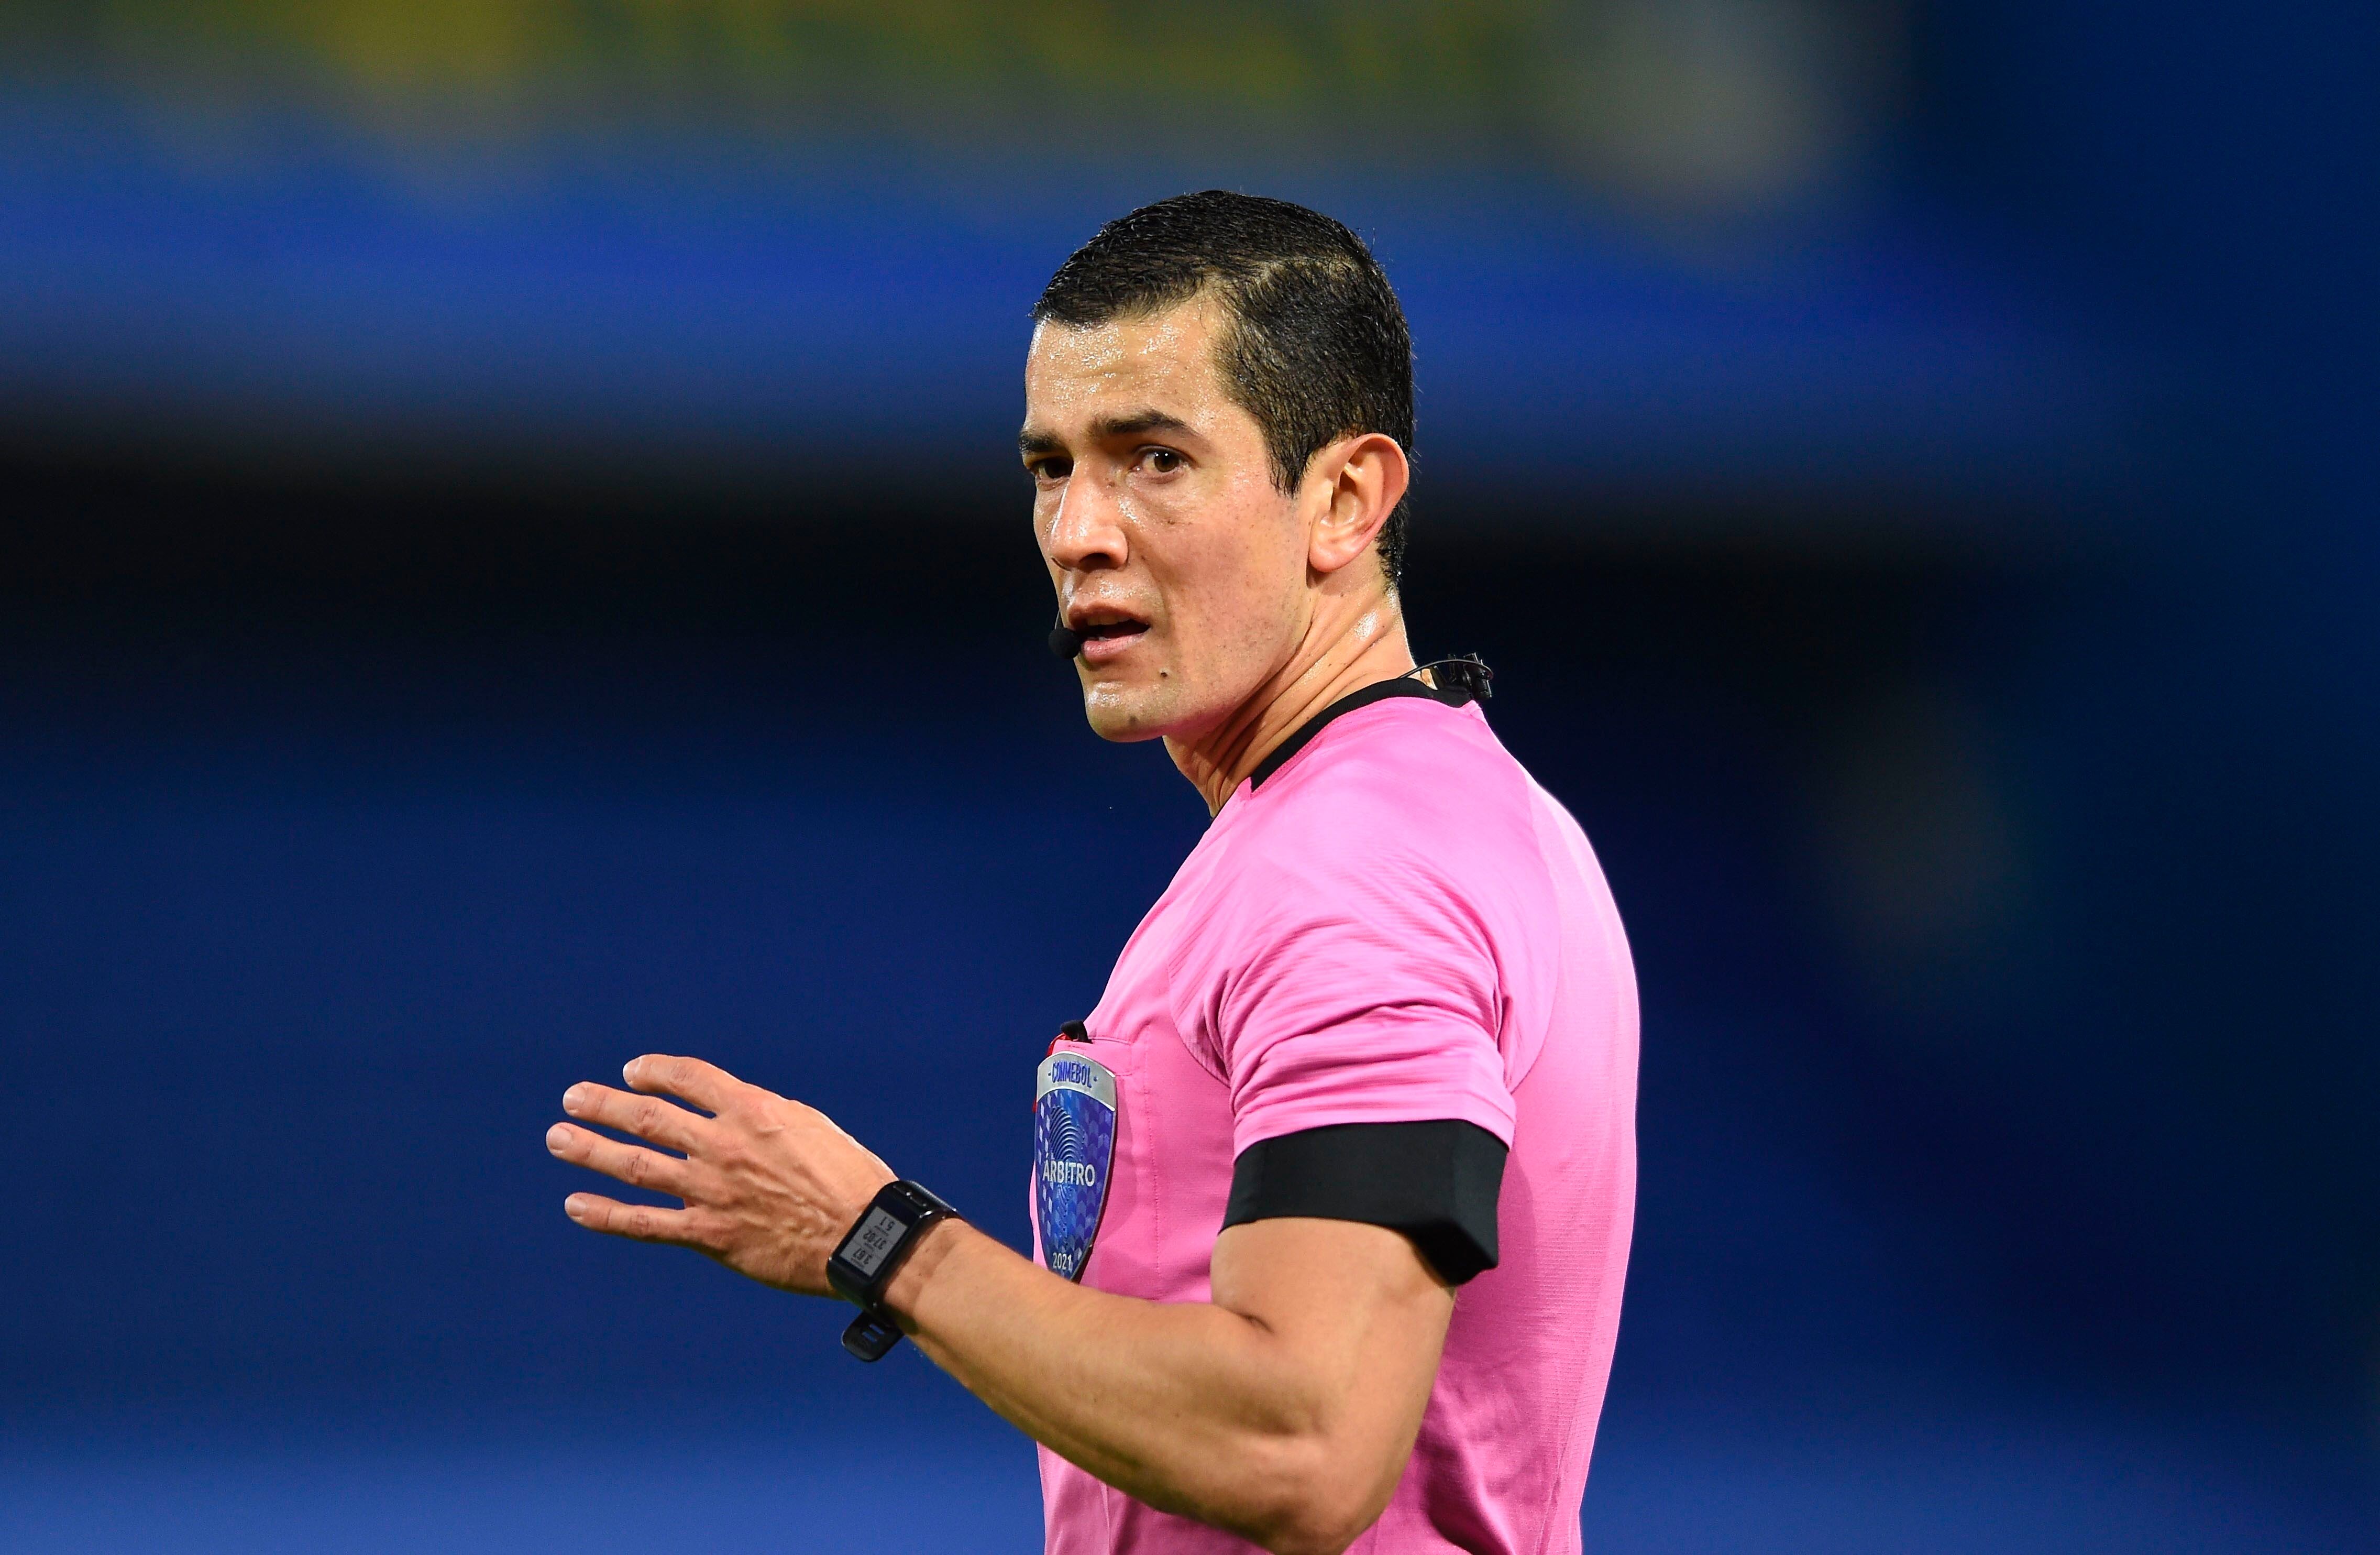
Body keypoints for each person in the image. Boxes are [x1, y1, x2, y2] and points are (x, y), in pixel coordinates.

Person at [545, 191, 1637, 1555]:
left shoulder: (1357, 870)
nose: (1079, 532)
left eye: (1154, 460)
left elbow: (1302, 1439)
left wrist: (880, 1237)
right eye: (1053, 466)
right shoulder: (1443, 815)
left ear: (1345, 497)